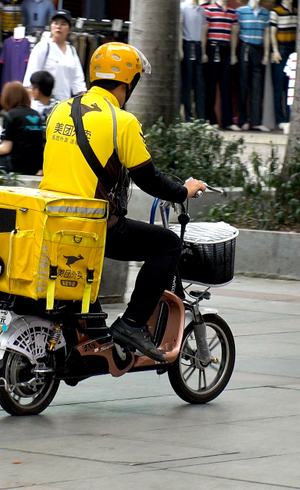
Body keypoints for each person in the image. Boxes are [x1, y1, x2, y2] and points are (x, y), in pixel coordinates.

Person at [39, 43, 206, 362]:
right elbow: (150, 180)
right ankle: (132, 323)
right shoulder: (122, 121)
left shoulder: (60, 109)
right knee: (168, 245)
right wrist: (184, 191)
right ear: (129, 82)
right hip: (93, 224)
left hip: (50, 219)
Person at [0, 82, 46, 175]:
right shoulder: (36, 114)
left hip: (16, 165)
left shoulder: (10, 116)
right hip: (34, 166)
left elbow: (6, 149)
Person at [22, 10, 87, 102]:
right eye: (55, 23)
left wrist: (84, 100)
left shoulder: (71, 51)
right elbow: (30, 76)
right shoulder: (43, 47)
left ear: (69, 30)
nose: (58, 27)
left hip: (64, 103)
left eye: (63, 24)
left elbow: (78, 79)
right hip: (42, 104)